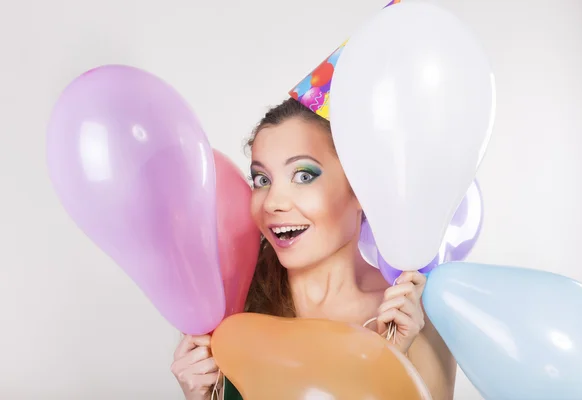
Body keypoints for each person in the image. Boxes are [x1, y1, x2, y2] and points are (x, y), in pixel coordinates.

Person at [170, 98, 457, 400]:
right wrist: (200, 397)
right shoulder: (232, 304)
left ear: (361, 188)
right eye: (262, 180)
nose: (273, 203)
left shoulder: (414, 318)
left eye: (304, 176)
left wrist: (391, 363)